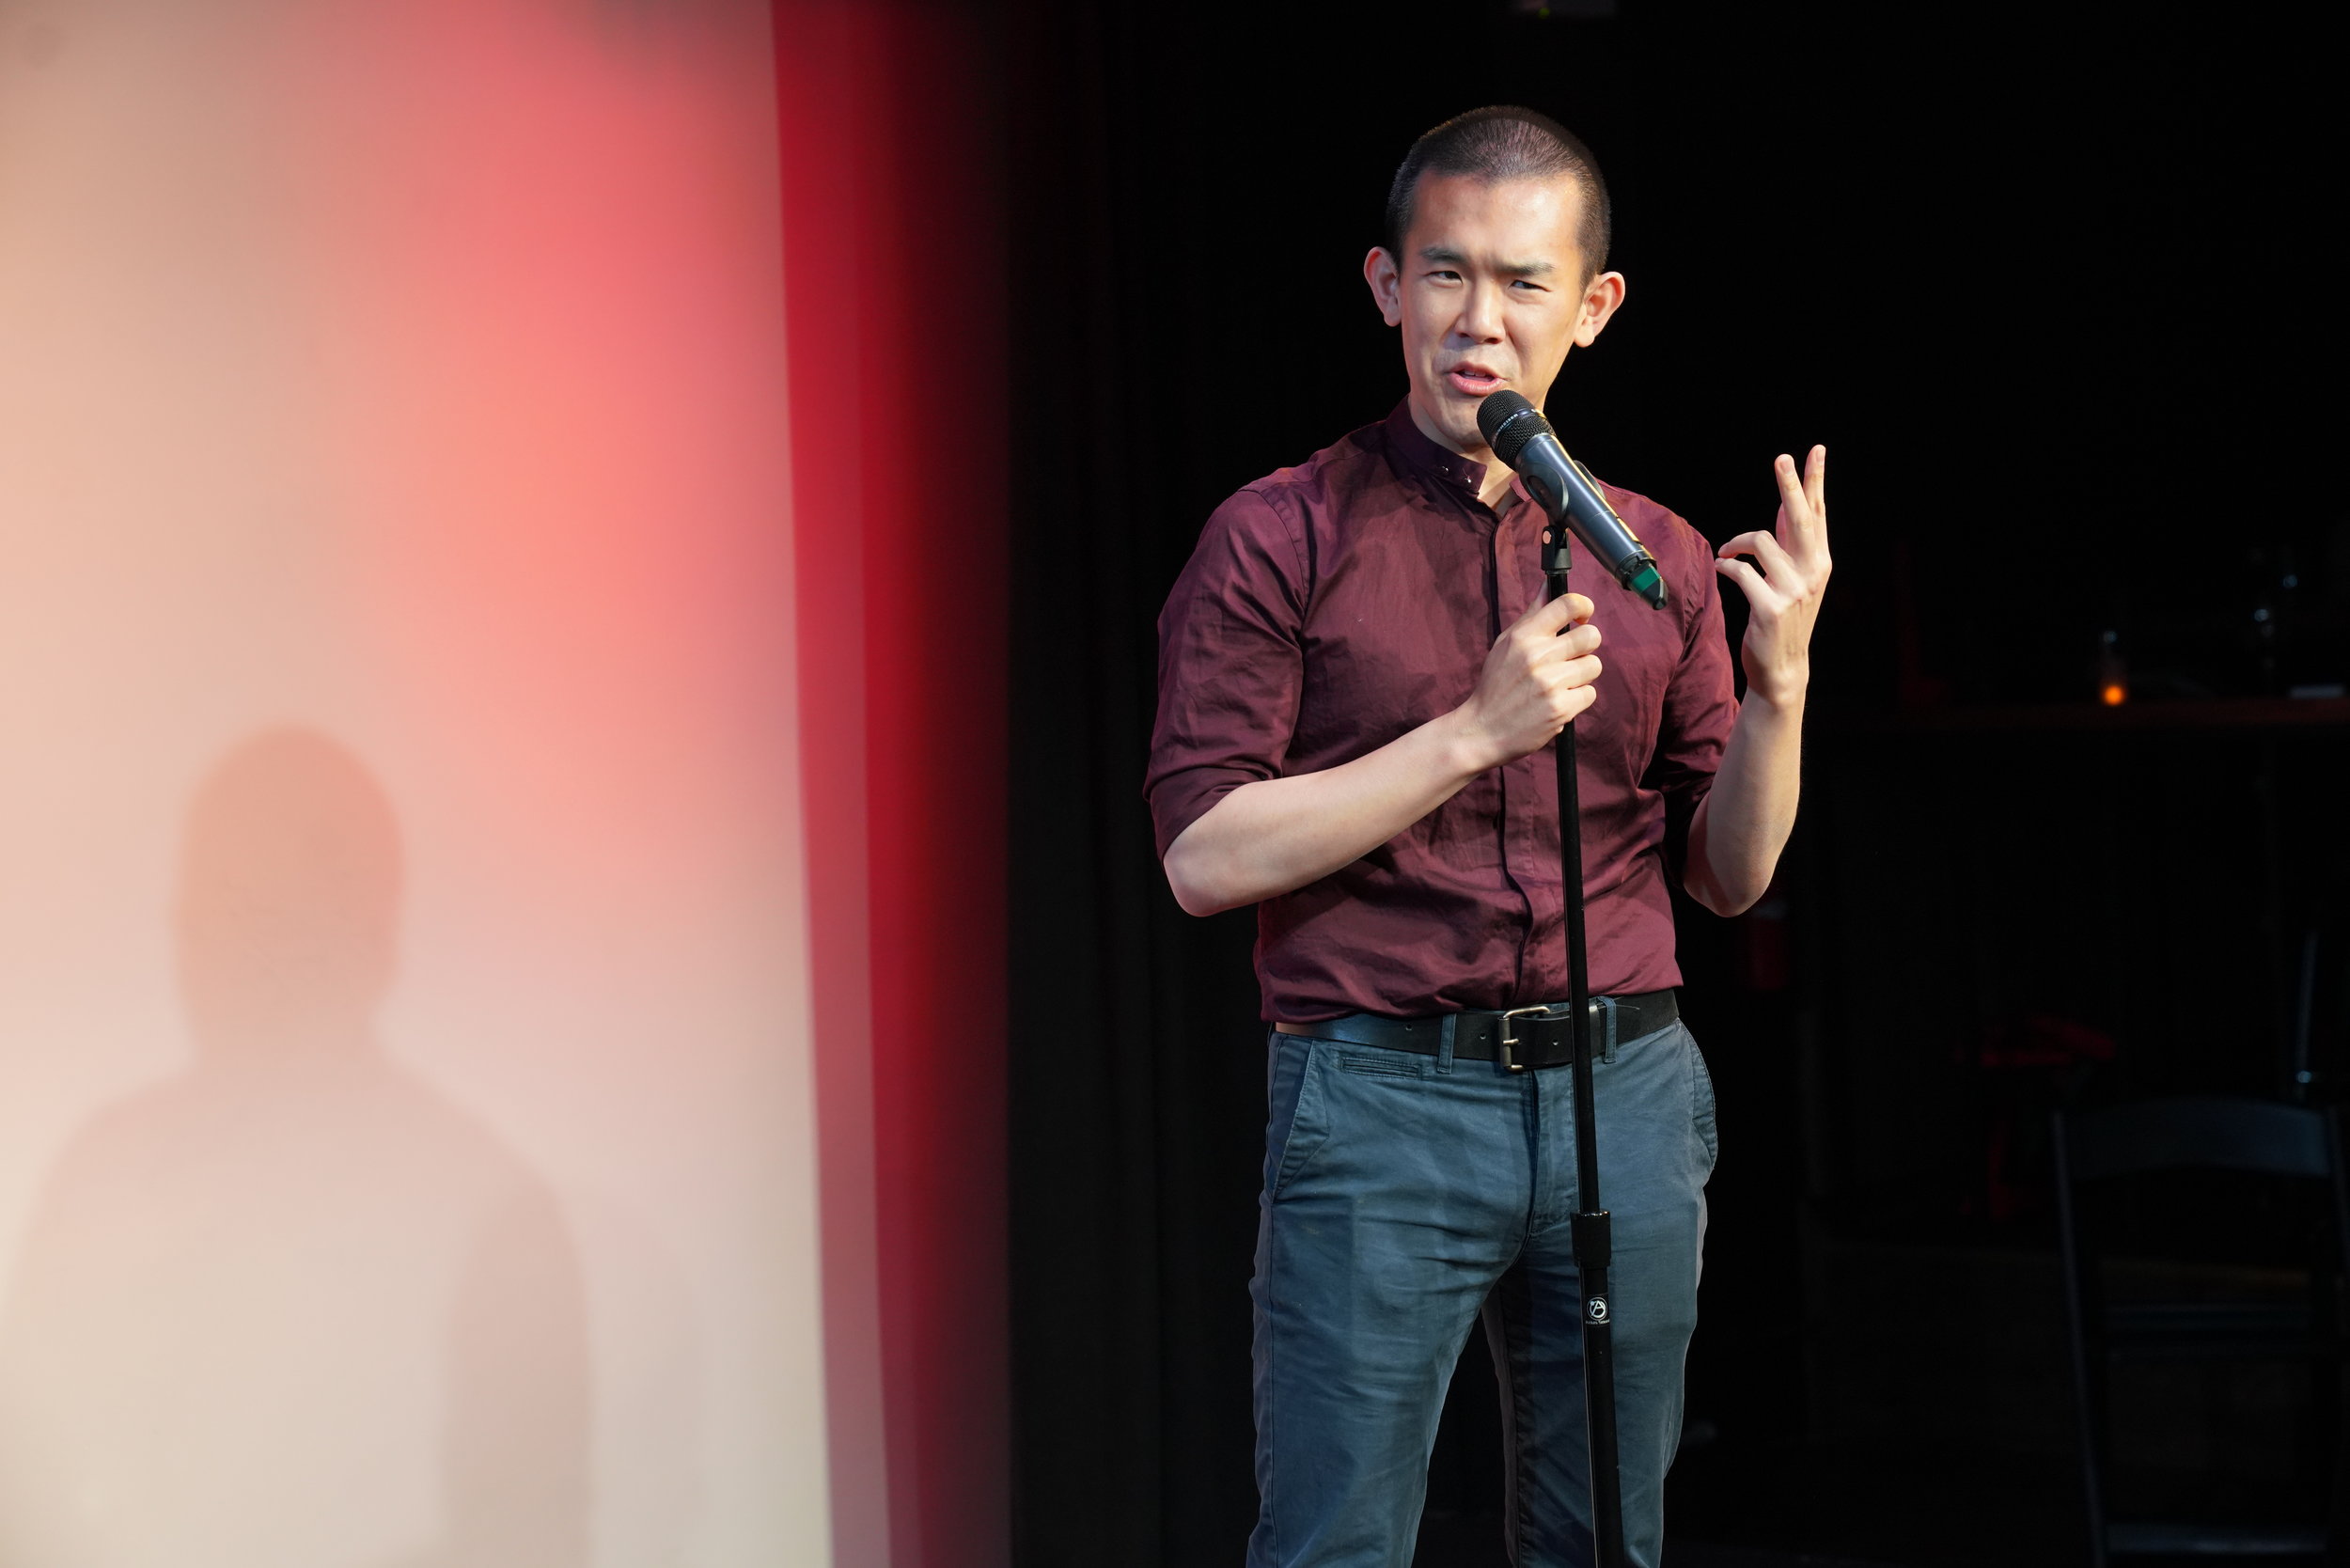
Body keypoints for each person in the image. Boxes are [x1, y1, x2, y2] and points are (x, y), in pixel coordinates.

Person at [1144, 106, 1830, 1568]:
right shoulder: (1283, 534)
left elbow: (1731, 874)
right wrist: (1472, 730)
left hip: (1626, 1097)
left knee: (1605, 1541)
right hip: (1381, 1097)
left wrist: (1781, 694)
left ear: (1593, 308)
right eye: (1444, 275)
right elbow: (1205, 855)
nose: (1480, 322)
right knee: (1337, 1541)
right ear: (1387, 286)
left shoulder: (1650, 553)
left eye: (1524, 284)